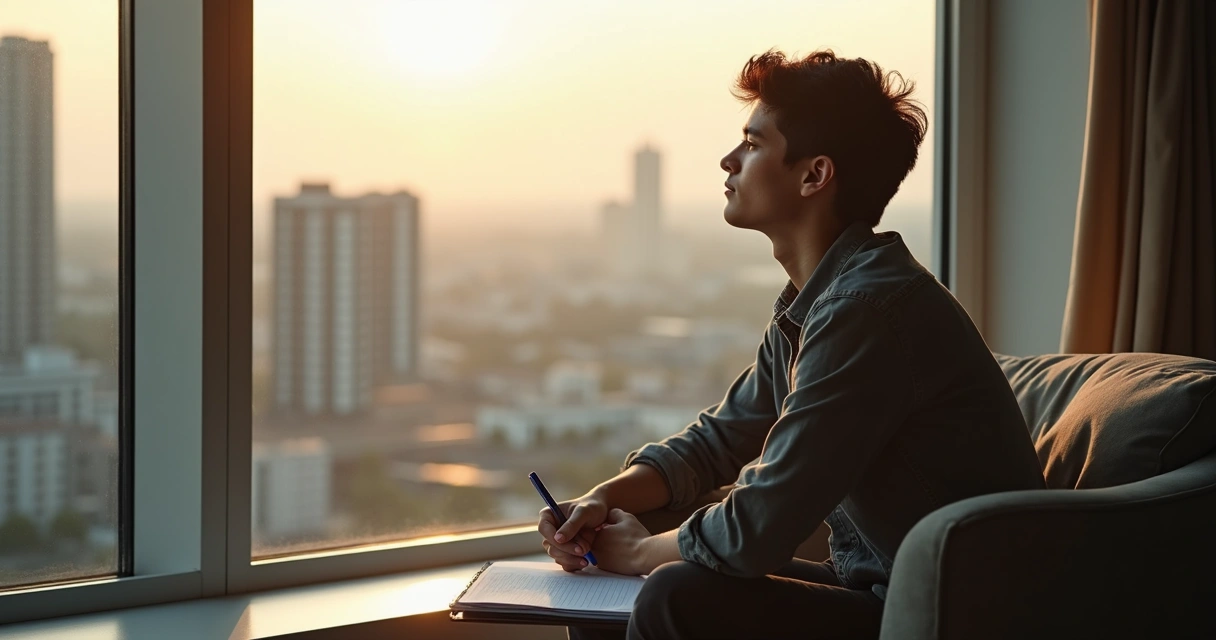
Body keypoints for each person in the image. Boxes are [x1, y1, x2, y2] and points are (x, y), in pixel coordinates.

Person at [536, 49, 1045, 640]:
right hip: (879, 588)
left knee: (672, 591)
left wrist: (637, 552)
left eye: (752, 144)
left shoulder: (867, 310)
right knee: (625, 568)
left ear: (814, 175)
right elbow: (714, 445)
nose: (728, 161)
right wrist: (598, 501)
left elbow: (758, 523)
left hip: (949, 616)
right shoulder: (813, 307)